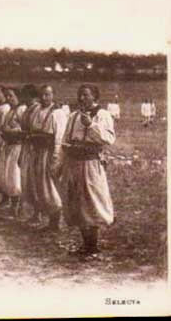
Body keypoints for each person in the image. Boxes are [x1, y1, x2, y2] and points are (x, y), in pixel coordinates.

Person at [61, 84, 115, 257]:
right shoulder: (73, 116)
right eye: (80, 95)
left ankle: (93, 245)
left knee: (92, 201)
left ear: (95, 97)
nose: (82, 98)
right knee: (77, 202)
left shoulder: (103, 115)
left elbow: (108, 139)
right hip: (74, 161)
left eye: (85, 95)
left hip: (91, 164)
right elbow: (65, 138)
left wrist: (91, 125)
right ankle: (85, 243)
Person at [29, 85, 68, 231]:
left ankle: (55, 220)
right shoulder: (37, 111)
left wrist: (56, 158)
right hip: (39, 151)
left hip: (49, 151)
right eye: (42, 95)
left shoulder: (58, 113)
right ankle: (48, 219)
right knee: (41, 186)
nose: (44, 98)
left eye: (47, 95)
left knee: (50, 186)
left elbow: (59, 137)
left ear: (53, 95)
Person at [0, 87, 27, 216]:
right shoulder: (10, 111)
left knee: (16, 177)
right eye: (8, 96)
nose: (9, 99)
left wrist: (12, 131)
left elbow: (24, 130)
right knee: (9, 176)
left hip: (18, 146)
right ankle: (13, 204)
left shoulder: (22, 110)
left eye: (11, 96)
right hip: (9, 146)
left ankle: (19, 206)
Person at [18, 84, 41, 222]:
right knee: (26, 180)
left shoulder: (37, 109)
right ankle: (32, 211)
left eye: (24, 95)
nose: (22, 98)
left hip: (35, 147)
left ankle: (38, 213)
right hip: (26, 146)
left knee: (34, 180)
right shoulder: (27, 110)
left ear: (31, 96)